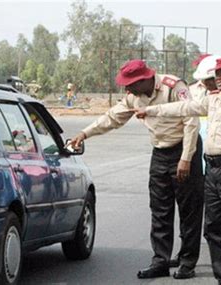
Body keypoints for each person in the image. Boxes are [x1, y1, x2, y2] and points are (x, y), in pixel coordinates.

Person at [134, 57, 221, 284]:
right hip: (213, 171)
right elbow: (185, 107)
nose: (218, 79)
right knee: (215, 231)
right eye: (216, 75)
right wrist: (152, 110)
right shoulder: (213, 99)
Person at [69, 59, 204, 280]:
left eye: (130, 84)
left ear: (144, 80)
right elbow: (113, 117)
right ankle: (160, 260)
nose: (126, 89)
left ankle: (187, 261)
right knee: (160, 210)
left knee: (189, 209)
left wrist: (186, 158)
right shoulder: (135, 96)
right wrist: (85, 133)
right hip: (160, 152)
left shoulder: (174, 87)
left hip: (185, 149)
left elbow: (191, 121)